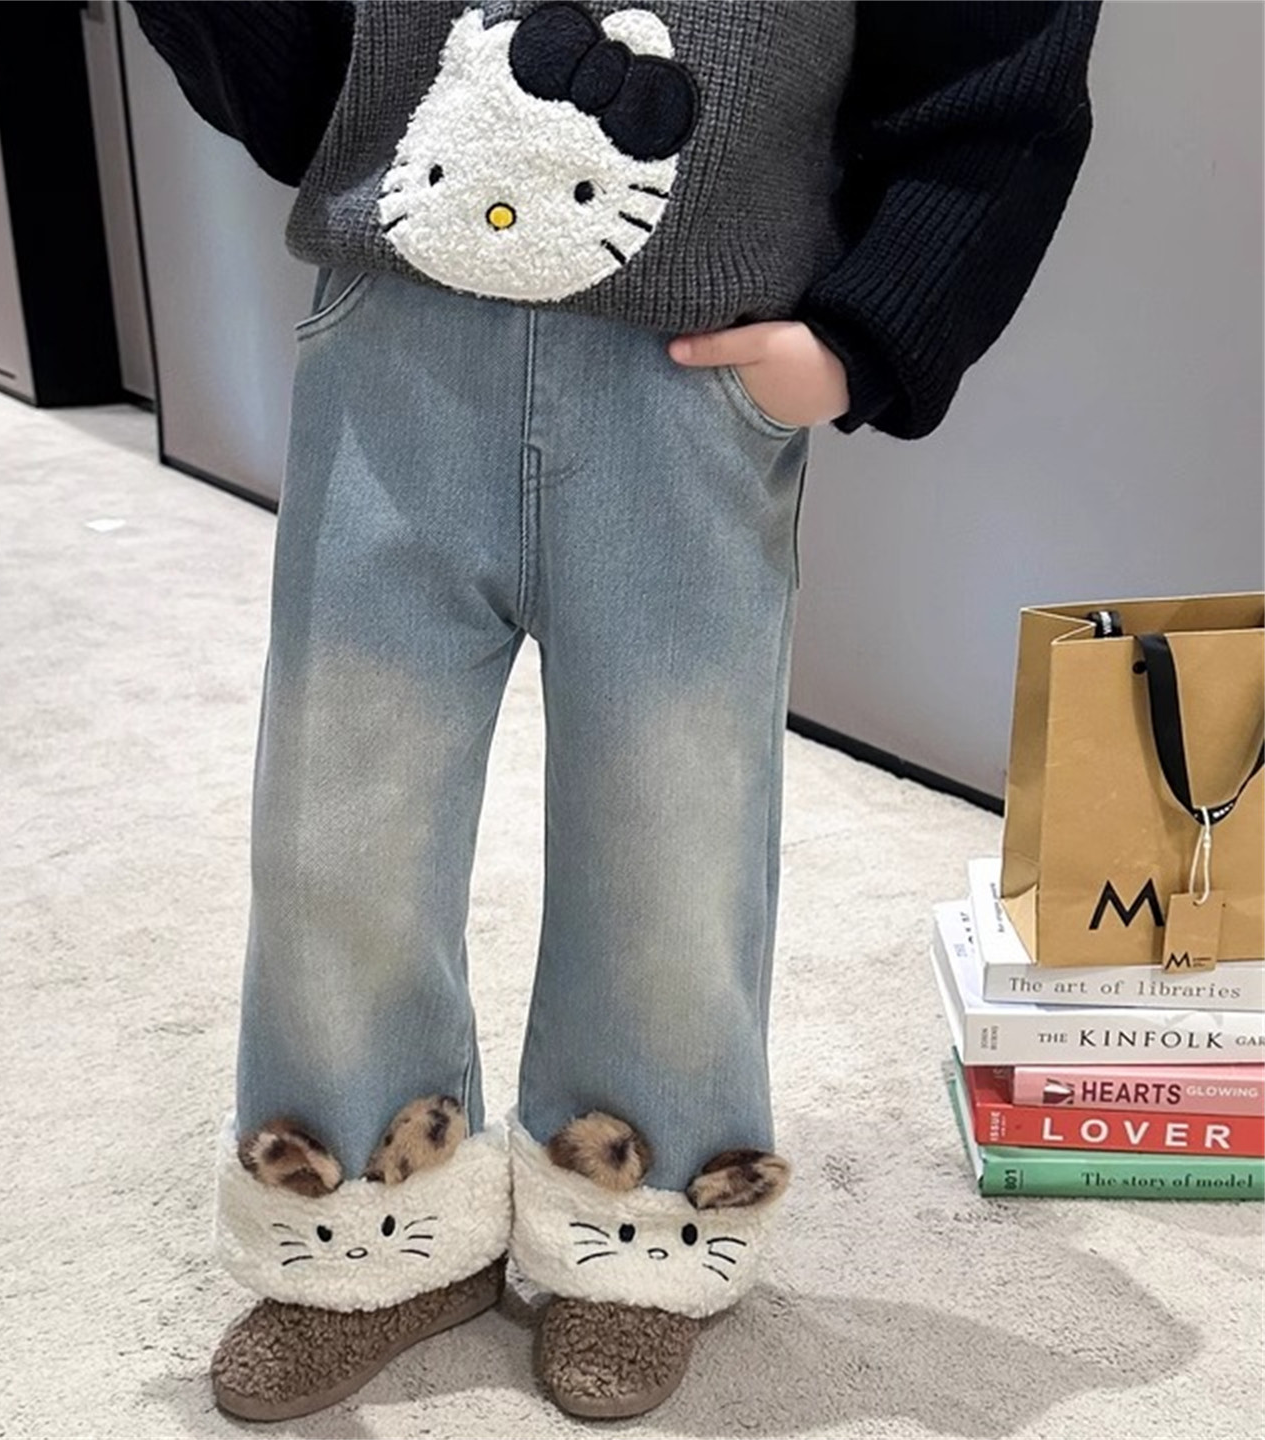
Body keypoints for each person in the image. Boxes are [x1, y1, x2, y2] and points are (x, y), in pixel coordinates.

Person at [129, 0, 1102, 1422]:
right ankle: (363, 1226)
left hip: (686, 382)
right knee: (338, 817)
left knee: (672, 828)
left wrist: (869, 333)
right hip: (396, 343)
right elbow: (301, 87)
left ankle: (636, 1225)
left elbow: (997, 60)